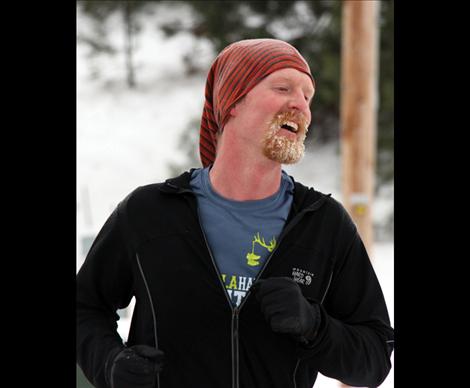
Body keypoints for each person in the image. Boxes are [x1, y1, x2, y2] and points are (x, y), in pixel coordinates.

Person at [77, 38, 394, 388]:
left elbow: (375, 358)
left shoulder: (324, 224)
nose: (301, 105)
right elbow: (84, 309)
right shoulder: (149, 213)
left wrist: (314, 326)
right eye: (283, 88)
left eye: (307, 96)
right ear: (233, 103)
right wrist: (110, 364)